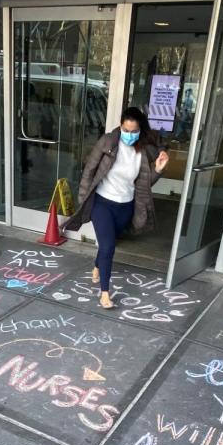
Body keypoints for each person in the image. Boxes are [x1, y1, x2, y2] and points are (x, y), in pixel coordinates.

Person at [63, 107, 170, 309]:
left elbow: (143, 184)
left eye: (133, 131)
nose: (129, 135)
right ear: (120, 126)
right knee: (109, 247)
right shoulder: (108, 142)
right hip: (102, 203)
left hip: (125, 206)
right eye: (125, 130)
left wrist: (157, 170)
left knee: (108, 244)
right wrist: (83, 199)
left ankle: (97, 265)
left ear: (140, 130)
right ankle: (104, 293)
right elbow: (89, 171)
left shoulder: (144, 150)